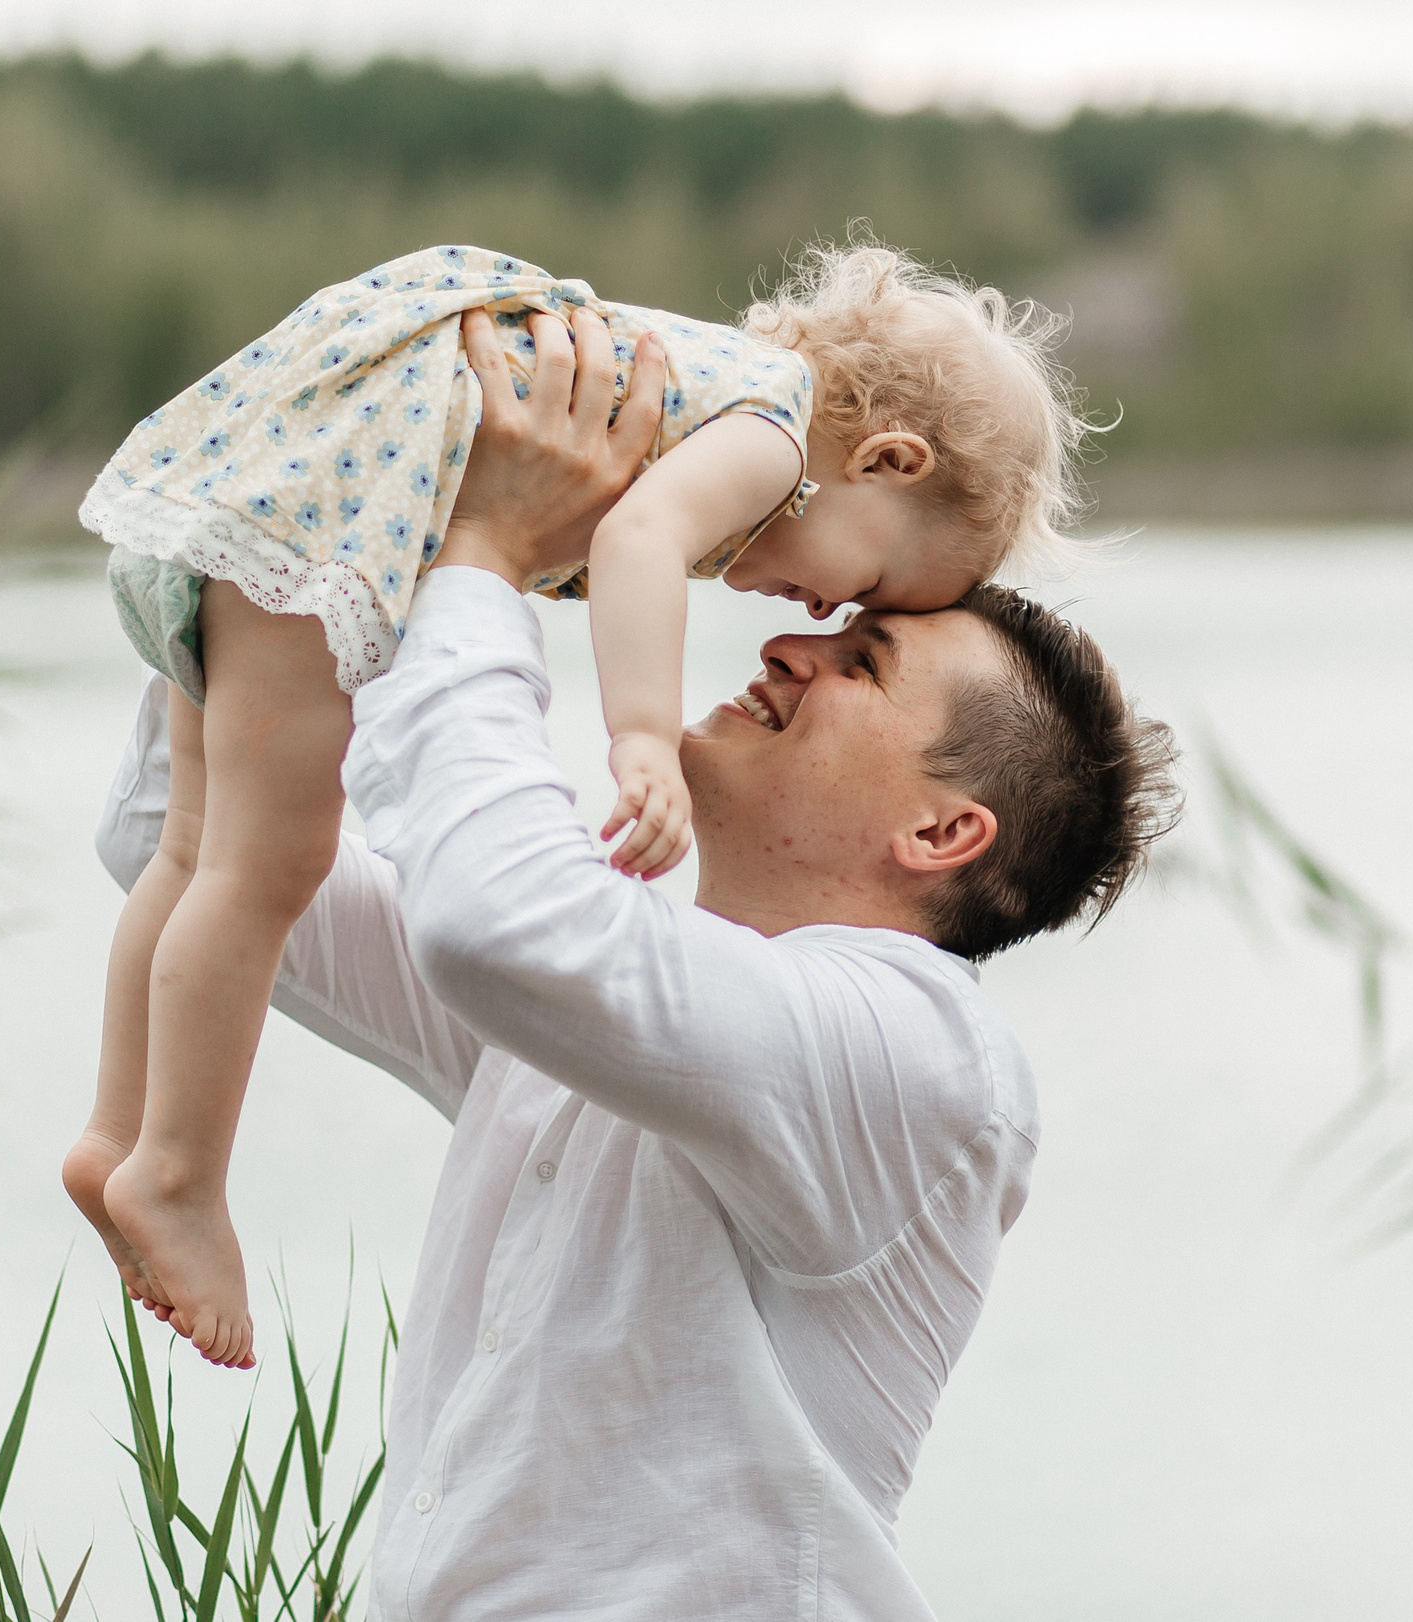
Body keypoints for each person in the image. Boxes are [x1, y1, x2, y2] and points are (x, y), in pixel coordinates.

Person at [92, 301, 1180, 1619]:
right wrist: (303, 527)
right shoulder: (623, 997)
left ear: (943, 828)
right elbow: (172, 833)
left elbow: (498, 920)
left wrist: (486, 554)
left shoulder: (915, 1057)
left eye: (863, 657)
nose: (791, 637)